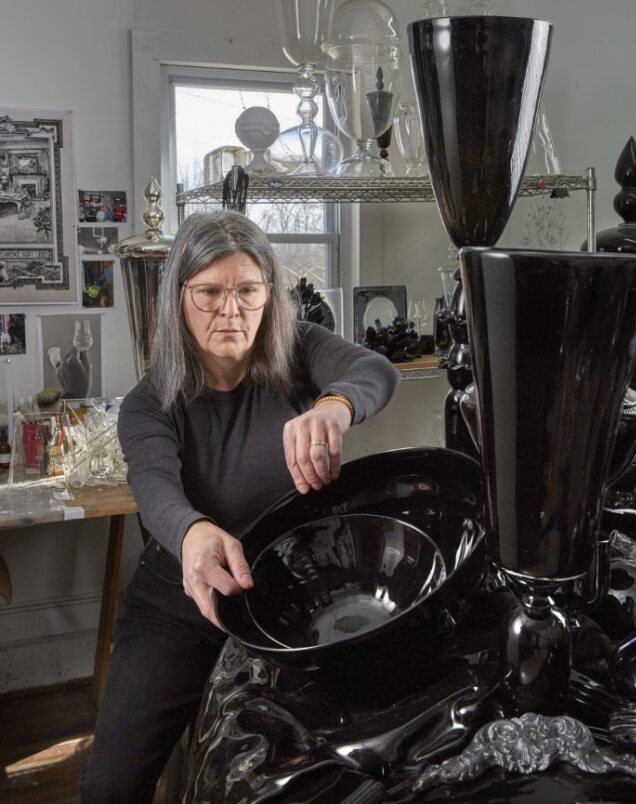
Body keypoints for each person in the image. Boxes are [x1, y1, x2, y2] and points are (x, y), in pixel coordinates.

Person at [80, 211, 400, 803]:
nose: (230, 310)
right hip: (179, 603)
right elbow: (155, 491)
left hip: (290, 591)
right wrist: (193, 533)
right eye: (209, 293)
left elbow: (373, 370)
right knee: (109, 785)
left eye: (247, 291)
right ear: (179, 297)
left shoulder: (299, 349)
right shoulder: (150, 402)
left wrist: (334, 406)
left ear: (268, 295)